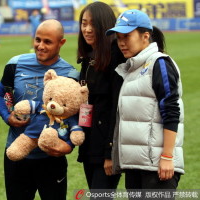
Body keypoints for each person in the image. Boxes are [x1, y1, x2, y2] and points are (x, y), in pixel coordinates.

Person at [0, 19, 79, 200]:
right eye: (38, 40)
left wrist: (69, 145)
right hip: (16, 155)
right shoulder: (15, 64)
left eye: (47, 42)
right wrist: (7, 116)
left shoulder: (71, 75)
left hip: (51, 158)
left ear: (61, 43)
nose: (40, 46)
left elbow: (76, 116)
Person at [106, 9, 184, 193]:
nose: (121, 43)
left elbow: (171, 112)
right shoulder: (132, 68)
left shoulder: (160, 64)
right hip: (136, 166)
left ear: (145, 36)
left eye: (126, 36)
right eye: (118, 38)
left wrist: (167, 156)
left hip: (157, 167)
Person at [76, 2, 126, 190]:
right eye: (83, 23)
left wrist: (109, 152)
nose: (87, 29)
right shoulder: (88, 57)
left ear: (105, 25)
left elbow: (117, 107)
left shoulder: (116, 56)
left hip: (106, 146)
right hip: (90, 143)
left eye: (93, 24)